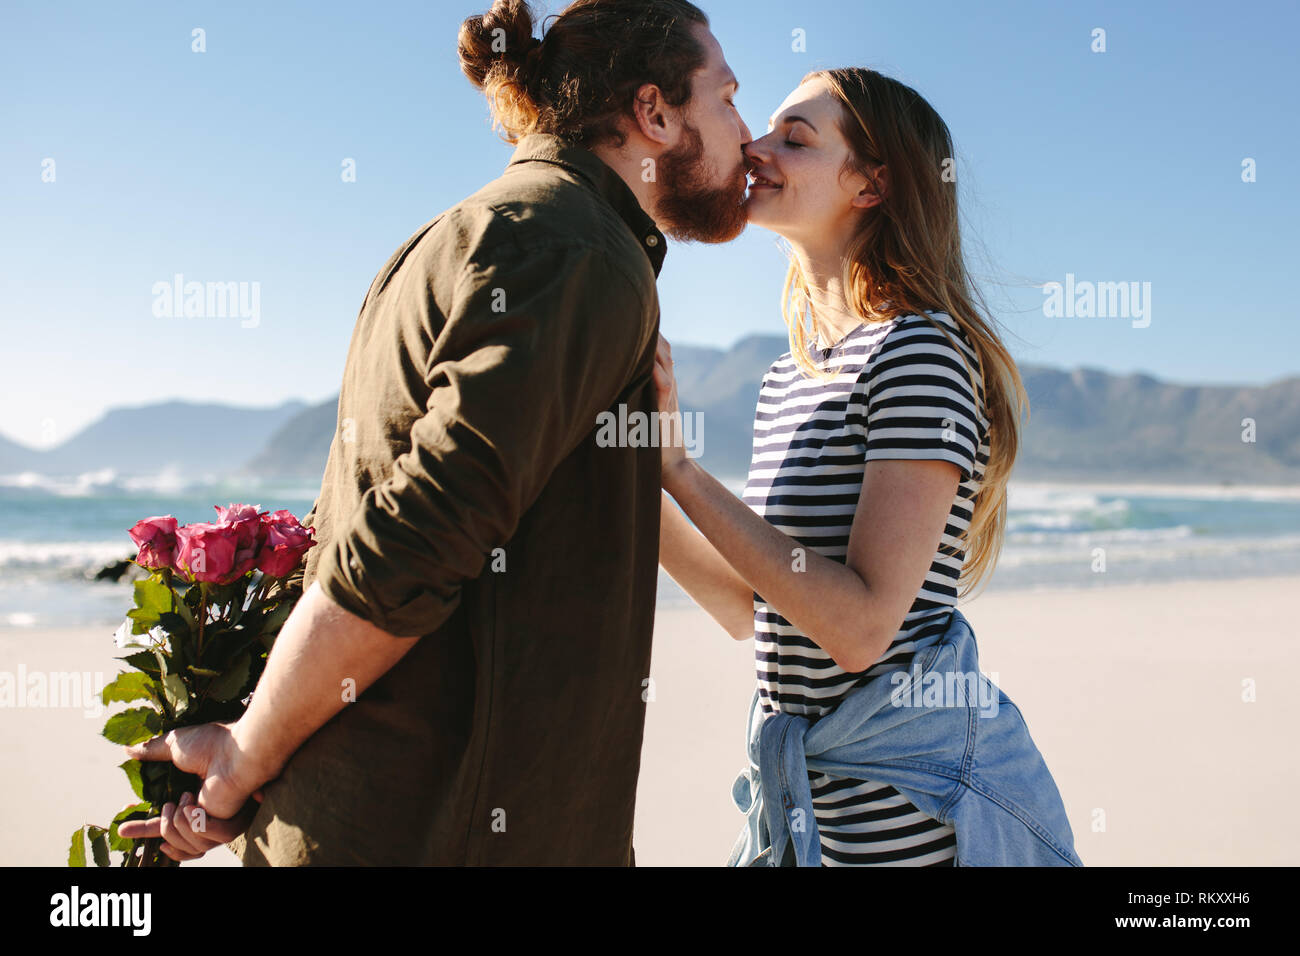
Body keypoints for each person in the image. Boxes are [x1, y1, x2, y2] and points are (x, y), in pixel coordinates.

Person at [119, 0, 752, 865]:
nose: (747, 135)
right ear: (653, 112)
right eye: (727, 98)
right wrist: (243, 756)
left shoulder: (456, 236)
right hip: (446, 829)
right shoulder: (581, 251)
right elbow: (414, 537)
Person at [655, 67, 1033, 865]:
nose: (754, 148)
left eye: (795, 139)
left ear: (871, 185)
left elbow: (859, 631)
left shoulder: (919, 351)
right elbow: (752, 611)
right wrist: (636, 474)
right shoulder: (787, 379)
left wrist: (684, 471)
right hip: (806, 821)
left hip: (909, 821)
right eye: (765, 130)